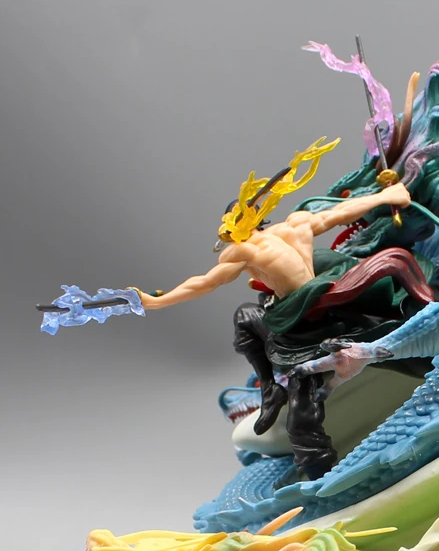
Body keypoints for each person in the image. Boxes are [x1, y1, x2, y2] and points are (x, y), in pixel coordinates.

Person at [137, 181, 414, 481]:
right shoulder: (295, 225)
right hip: (318, 305)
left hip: (301, 324)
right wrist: (386, 195)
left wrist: (158, 301)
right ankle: (270, 390)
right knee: (247, 317)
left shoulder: (243, 251)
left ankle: (318, 470)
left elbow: (205, 283)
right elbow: (340, 212)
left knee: (299, 394)